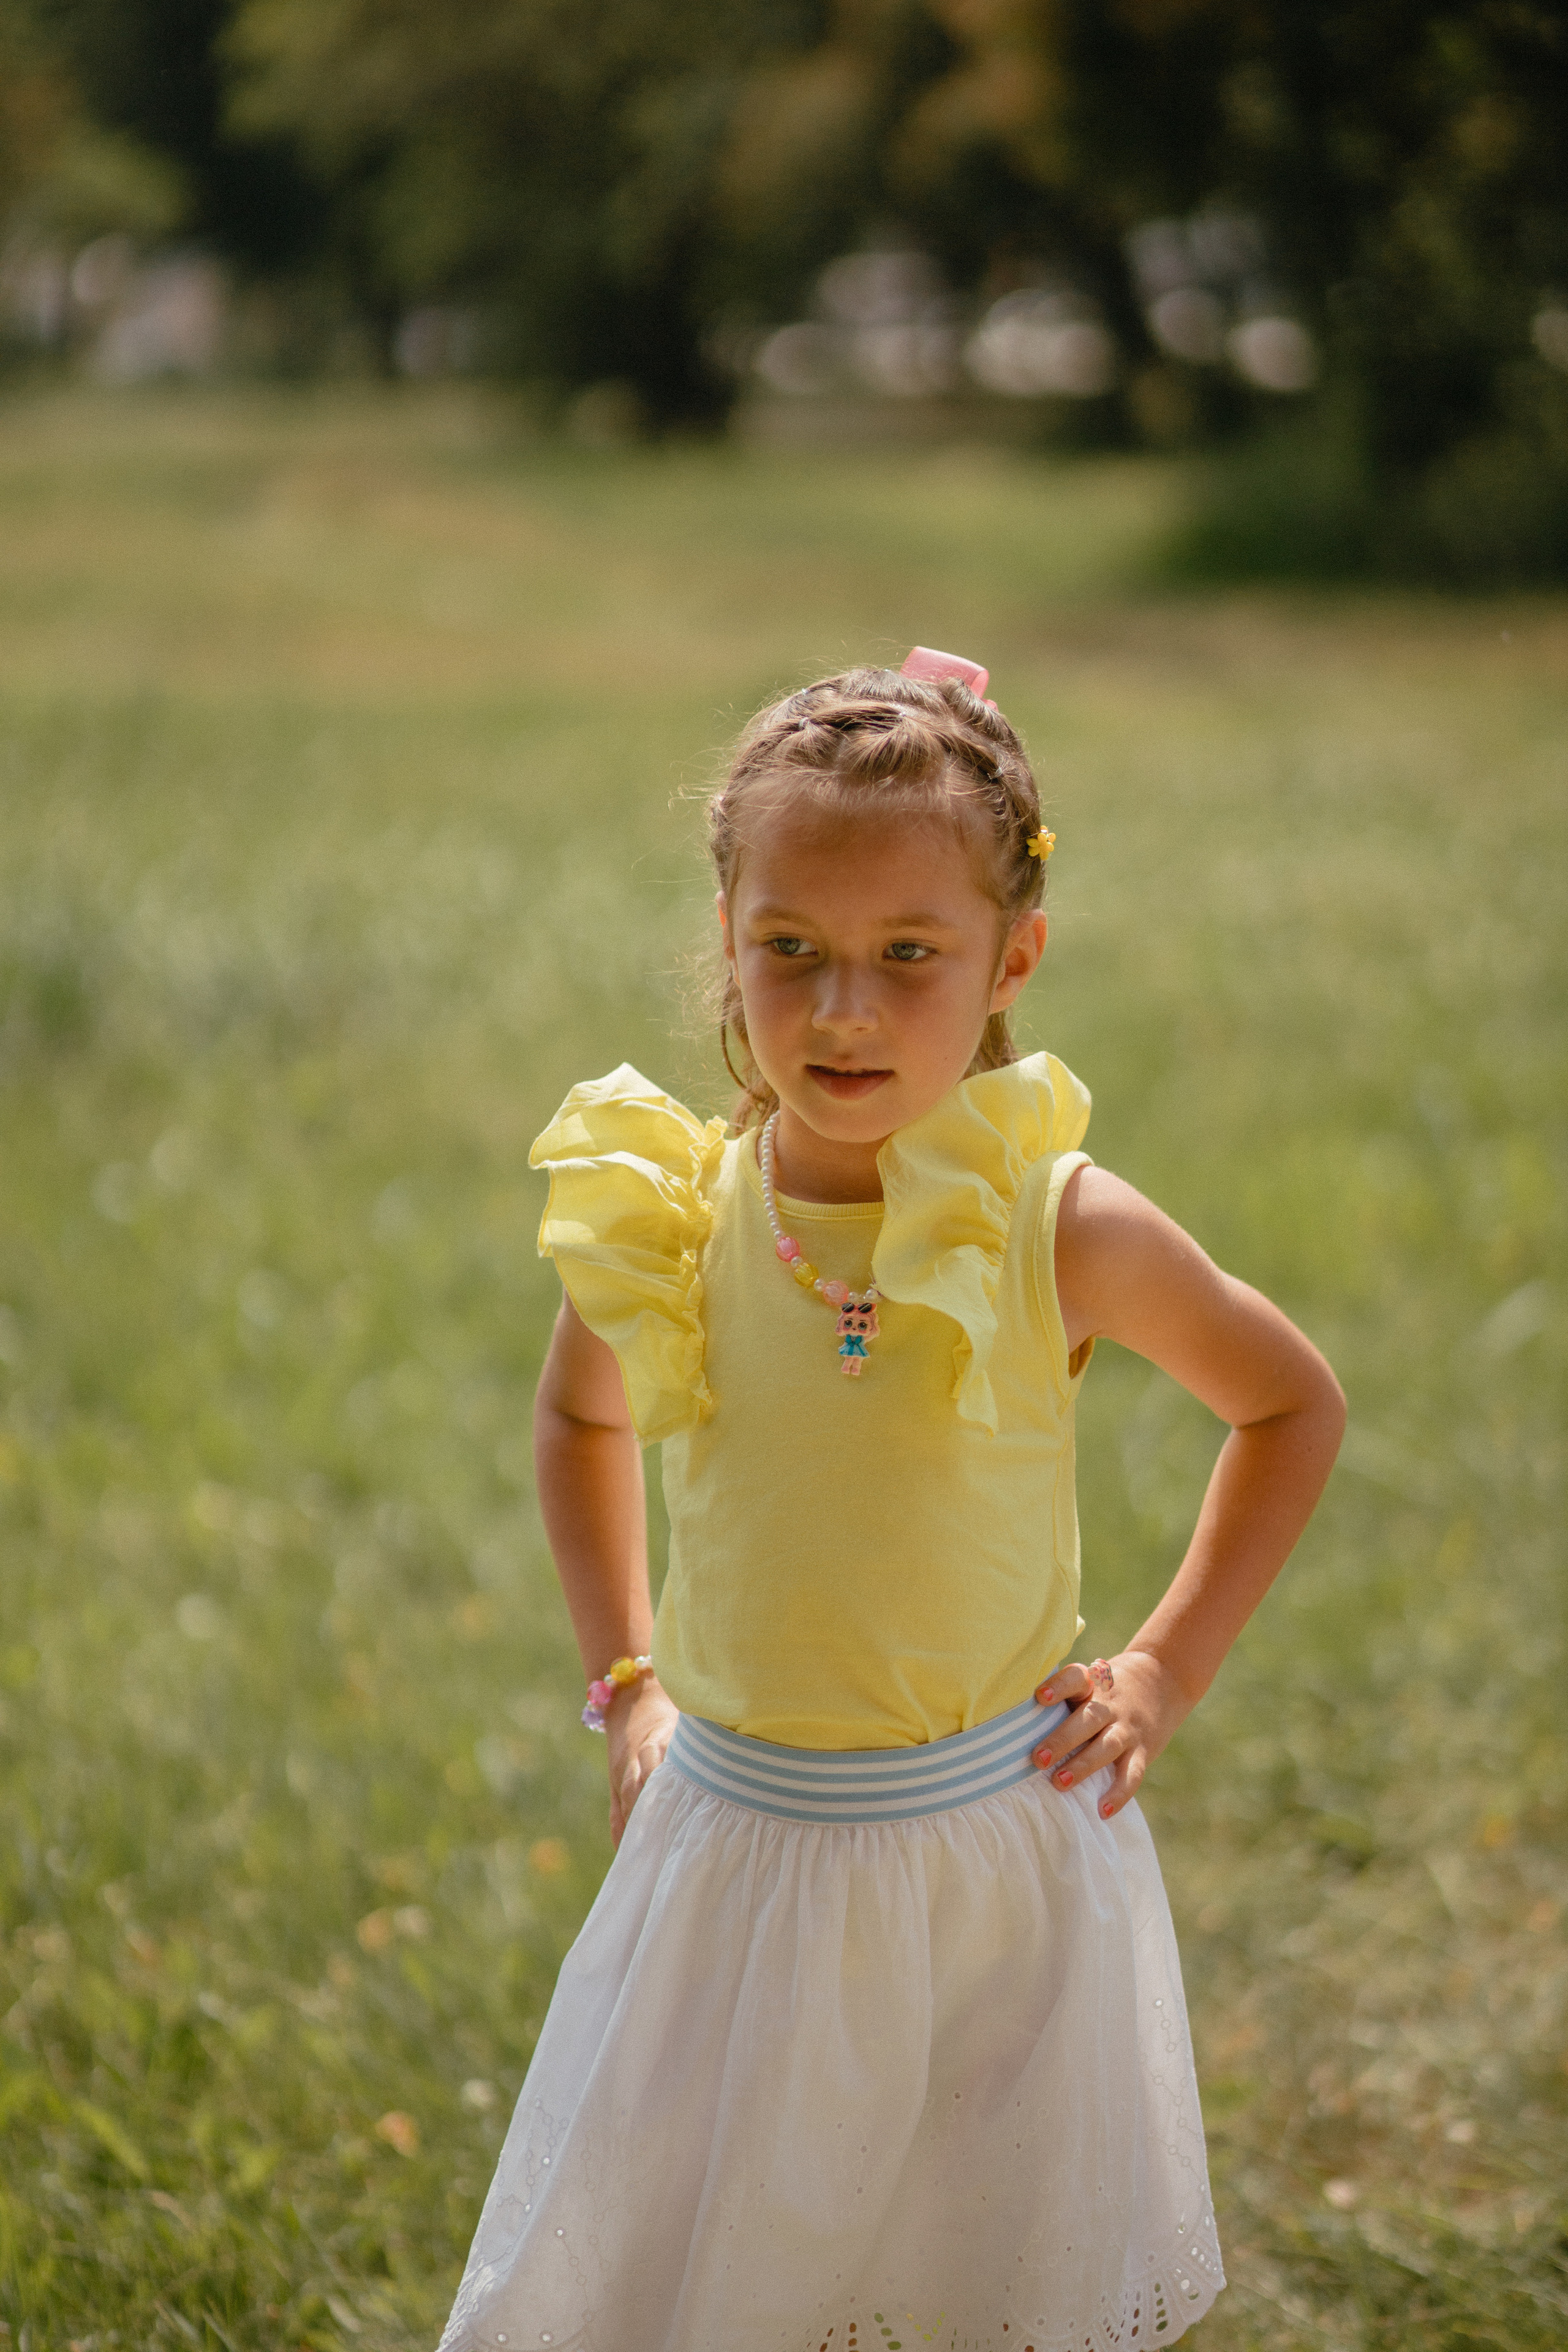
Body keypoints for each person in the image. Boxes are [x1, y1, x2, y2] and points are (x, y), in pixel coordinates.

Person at [437, 650, 1346, 2352]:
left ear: (1015, 959)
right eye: (792, 952)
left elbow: (1291, 1401)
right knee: (707, 2275)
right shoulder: (670, 1216)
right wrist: (624, 1677)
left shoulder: (1050, 1225)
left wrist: (1162, 1666)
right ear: (730, 939)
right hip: (734, 1861)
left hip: (985, 1869)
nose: (842, 1012)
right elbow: (577, 1419)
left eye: (907, 959)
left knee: (966, 2270)